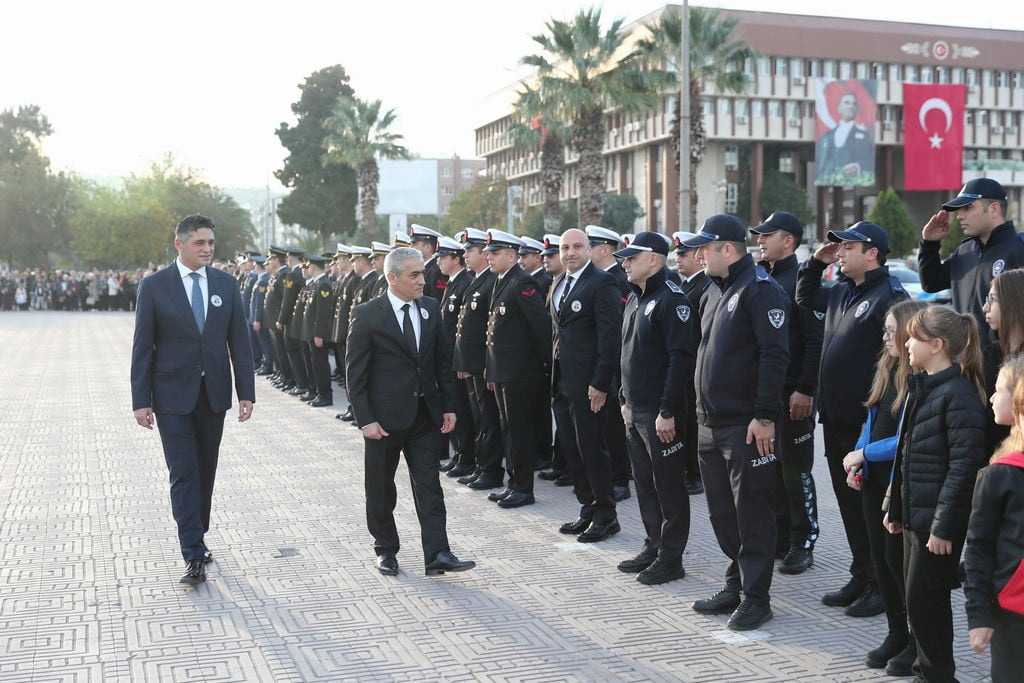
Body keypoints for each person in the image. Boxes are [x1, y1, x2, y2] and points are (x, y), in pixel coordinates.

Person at [130, 214, 255, 585]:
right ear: (179, 244)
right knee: (183, 472)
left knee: (206, 471)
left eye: (211, 243)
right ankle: (192, 552)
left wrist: (245, 392)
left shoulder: (226, 284)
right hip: (171, 396)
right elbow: (142, 346)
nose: (207, 249)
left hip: (213, 394)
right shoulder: (154, 286)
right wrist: (141, 400)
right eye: (200, 243)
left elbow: (240, 344)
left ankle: (197, 534)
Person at [683, 215, 790, 631]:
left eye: (704, 249)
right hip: (709, 423)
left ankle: (757, 598)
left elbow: (774, 356)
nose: (697, 256)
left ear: (727, 249)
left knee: (752, 513)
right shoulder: (712, 290)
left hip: (746, 425)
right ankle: (736, 581)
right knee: (721, 513)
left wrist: (765, 416)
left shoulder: (761, 291)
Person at [796, 221, 907, 617]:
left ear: (872, 252)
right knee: (848, 504)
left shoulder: (891, 296)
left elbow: (901, 364)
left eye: (847, 246)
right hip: (838, 419)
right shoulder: (843, 290)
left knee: (872, 507)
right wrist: (813, 262)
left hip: (870, 423)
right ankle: (862, 573)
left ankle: (883, 584)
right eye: (837, 247)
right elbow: (804, 295)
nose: (839, 252)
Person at [345, 246, 475, 577]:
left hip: (425, 417)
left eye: (422, 272)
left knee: (430, 485)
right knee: (381, 488)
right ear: (392, 278)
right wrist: (366, 420)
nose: (422, 279)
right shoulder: (367, 314)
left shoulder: (430, 308)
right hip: (383, 422)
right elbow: (355, 375)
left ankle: (438, 553)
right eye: (414, 274)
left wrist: (447, 406)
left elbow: (440, 363)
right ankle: (385, 549)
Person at [884, 305, 987, 683]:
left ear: (937, 345)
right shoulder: (923, 386)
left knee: (927, 602)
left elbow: (963, 469)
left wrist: (943, 527)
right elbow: (907, 455)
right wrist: (894, 507)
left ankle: (938, 675)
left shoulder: (958, 395)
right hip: (917, 517)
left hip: (936, 525)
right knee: (918, 601)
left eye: (914, 337)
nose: (907, 344)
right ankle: (926, 672)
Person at [841, 299, 929, 677]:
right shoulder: (887, 367)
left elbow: (905, 439)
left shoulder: (919, 379)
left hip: (899, 482)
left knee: (900, 564)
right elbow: (872, 416)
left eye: (892, 330)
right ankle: (896, 632)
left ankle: (915, 639)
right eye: (885, 330)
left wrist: (865, 453)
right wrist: (857, 457)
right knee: (881, 560)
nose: (886, 336)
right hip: (873, 479)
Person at [920, 178, 1024, 453]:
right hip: (968, 366)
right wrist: (929, 244)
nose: (960, 216)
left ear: (993, 209)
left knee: (1005, 450)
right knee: (969, 452)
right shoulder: (965, 250)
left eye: (968, 208)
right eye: (959, 210)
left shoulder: (1018, 249)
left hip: (1008, 371)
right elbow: (931, 283)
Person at [616, 231, 694, 585]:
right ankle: (653, 544)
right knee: (644, 484)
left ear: (655, 260)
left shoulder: (671, 300)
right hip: (634, 409)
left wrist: (667, 411)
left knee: (668, 487)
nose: (625, 261)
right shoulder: (634, 298)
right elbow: (629, 354)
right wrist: (622, 398)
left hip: (659, 414)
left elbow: (680, 360)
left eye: (633, 256)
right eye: (625, 257)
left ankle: (671, 558)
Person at [750, 212, 823, 575]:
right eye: (759, 236)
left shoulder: (800, 280)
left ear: (788, 241)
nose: (760, 241)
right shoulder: (759, 277)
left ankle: (803, 540)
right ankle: (779, 535)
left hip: (794, 394)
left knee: (796, 472)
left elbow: (813, 340)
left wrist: (805, 389)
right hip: (767, 395)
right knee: (772, 471)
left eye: (767, 236)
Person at [550, 228, 623, 542]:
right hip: (561, 382)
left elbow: (610, 338)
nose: (570, 253)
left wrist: (600, 382)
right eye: (565, 247)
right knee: (572, 448)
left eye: (577, 246)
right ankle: (588, 507)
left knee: (592, 449)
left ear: (590, 249)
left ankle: (607, 515)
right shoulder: (558, 283)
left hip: (589, 385)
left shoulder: (602, 283)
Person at [965, 355, 1024, 682]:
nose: (990, 397)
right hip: (1013, 614)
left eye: (998, 389)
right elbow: (978, 548)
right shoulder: (999, 475)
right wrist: (979, 615)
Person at [483, 229, 551, 508]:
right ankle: (514, 483)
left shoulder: (522, 282)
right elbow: (494, 331)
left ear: (512, 255)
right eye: (488, 252)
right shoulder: (502, 280)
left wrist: (545, 367)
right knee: (508, 429)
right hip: (503, 371)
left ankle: (524, 488)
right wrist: (490, 370)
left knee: (520, 431)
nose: (489, 257)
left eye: (495, 253)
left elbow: (541, 326)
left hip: (520, 373)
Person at [452, 227, 504, 491]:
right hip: (472, 364)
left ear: (484, 255)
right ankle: (482, 465)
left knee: (487, 419)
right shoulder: (476, 280)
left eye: (470, 250)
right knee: (478, 416)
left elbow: (489, 331)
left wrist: (486, 366)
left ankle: (491, 469)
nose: (465, 255)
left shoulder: (490, 282)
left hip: (483, 365)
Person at [586, 225, 632, 501]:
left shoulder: (616, 280)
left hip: (615, 364)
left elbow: (616, 328)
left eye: (588, 245)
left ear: (604, 249)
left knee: (614, 426)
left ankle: (621, 479)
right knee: (604, 426)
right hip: (602, 361)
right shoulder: (599, 279)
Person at [674, 231, 712, 495]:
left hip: (696, 366)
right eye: (676, 254)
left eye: (683, 254)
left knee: (692, 422)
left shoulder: (704, 286)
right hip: (687, 367)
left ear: (699, 259)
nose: (678, 259)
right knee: (685, 420)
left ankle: (695, 473)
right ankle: (689, 468)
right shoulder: (686, 285)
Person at [435, 235, 476, 479]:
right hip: (449, 357)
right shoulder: (452, 283)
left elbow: (466, 329)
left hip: (457, 357)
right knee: (453, 405)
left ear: (455, 259)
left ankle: (467, 456)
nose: (438, 261)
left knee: (462, 408)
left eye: (443, 257)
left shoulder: (465, 283)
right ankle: (459, 454)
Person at [815, 91, 875, 184]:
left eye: (854, 104)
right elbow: (819, 161)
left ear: (856, 110)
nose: (850, 106)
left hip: (852, 180)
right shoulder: (825, 137)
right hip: (828, 179)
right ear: (839, 108)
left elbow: (869, 160)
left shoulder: (865, 137)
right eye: (847, 103)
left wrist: (857, 167)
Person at [410, 224, 449, 302]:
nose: (411, 247)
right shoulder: (425, 268)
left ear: (427, 247)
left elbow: (437, 299)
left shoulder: (437, 270)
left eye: (414, 244)